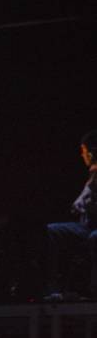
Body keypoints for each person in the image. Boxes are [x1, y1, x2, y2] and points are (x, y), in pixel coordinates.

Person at [44, 129, 97, 301]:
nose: (83, 156)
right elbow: (79, 205)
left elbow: (83, 204)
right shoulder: (93, 174)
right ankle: (52, 287)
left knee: (95, 238)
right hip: (86, 226)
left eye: (83, 152)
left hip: (93, 228)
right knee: (51, 231)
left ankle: (93, 290)